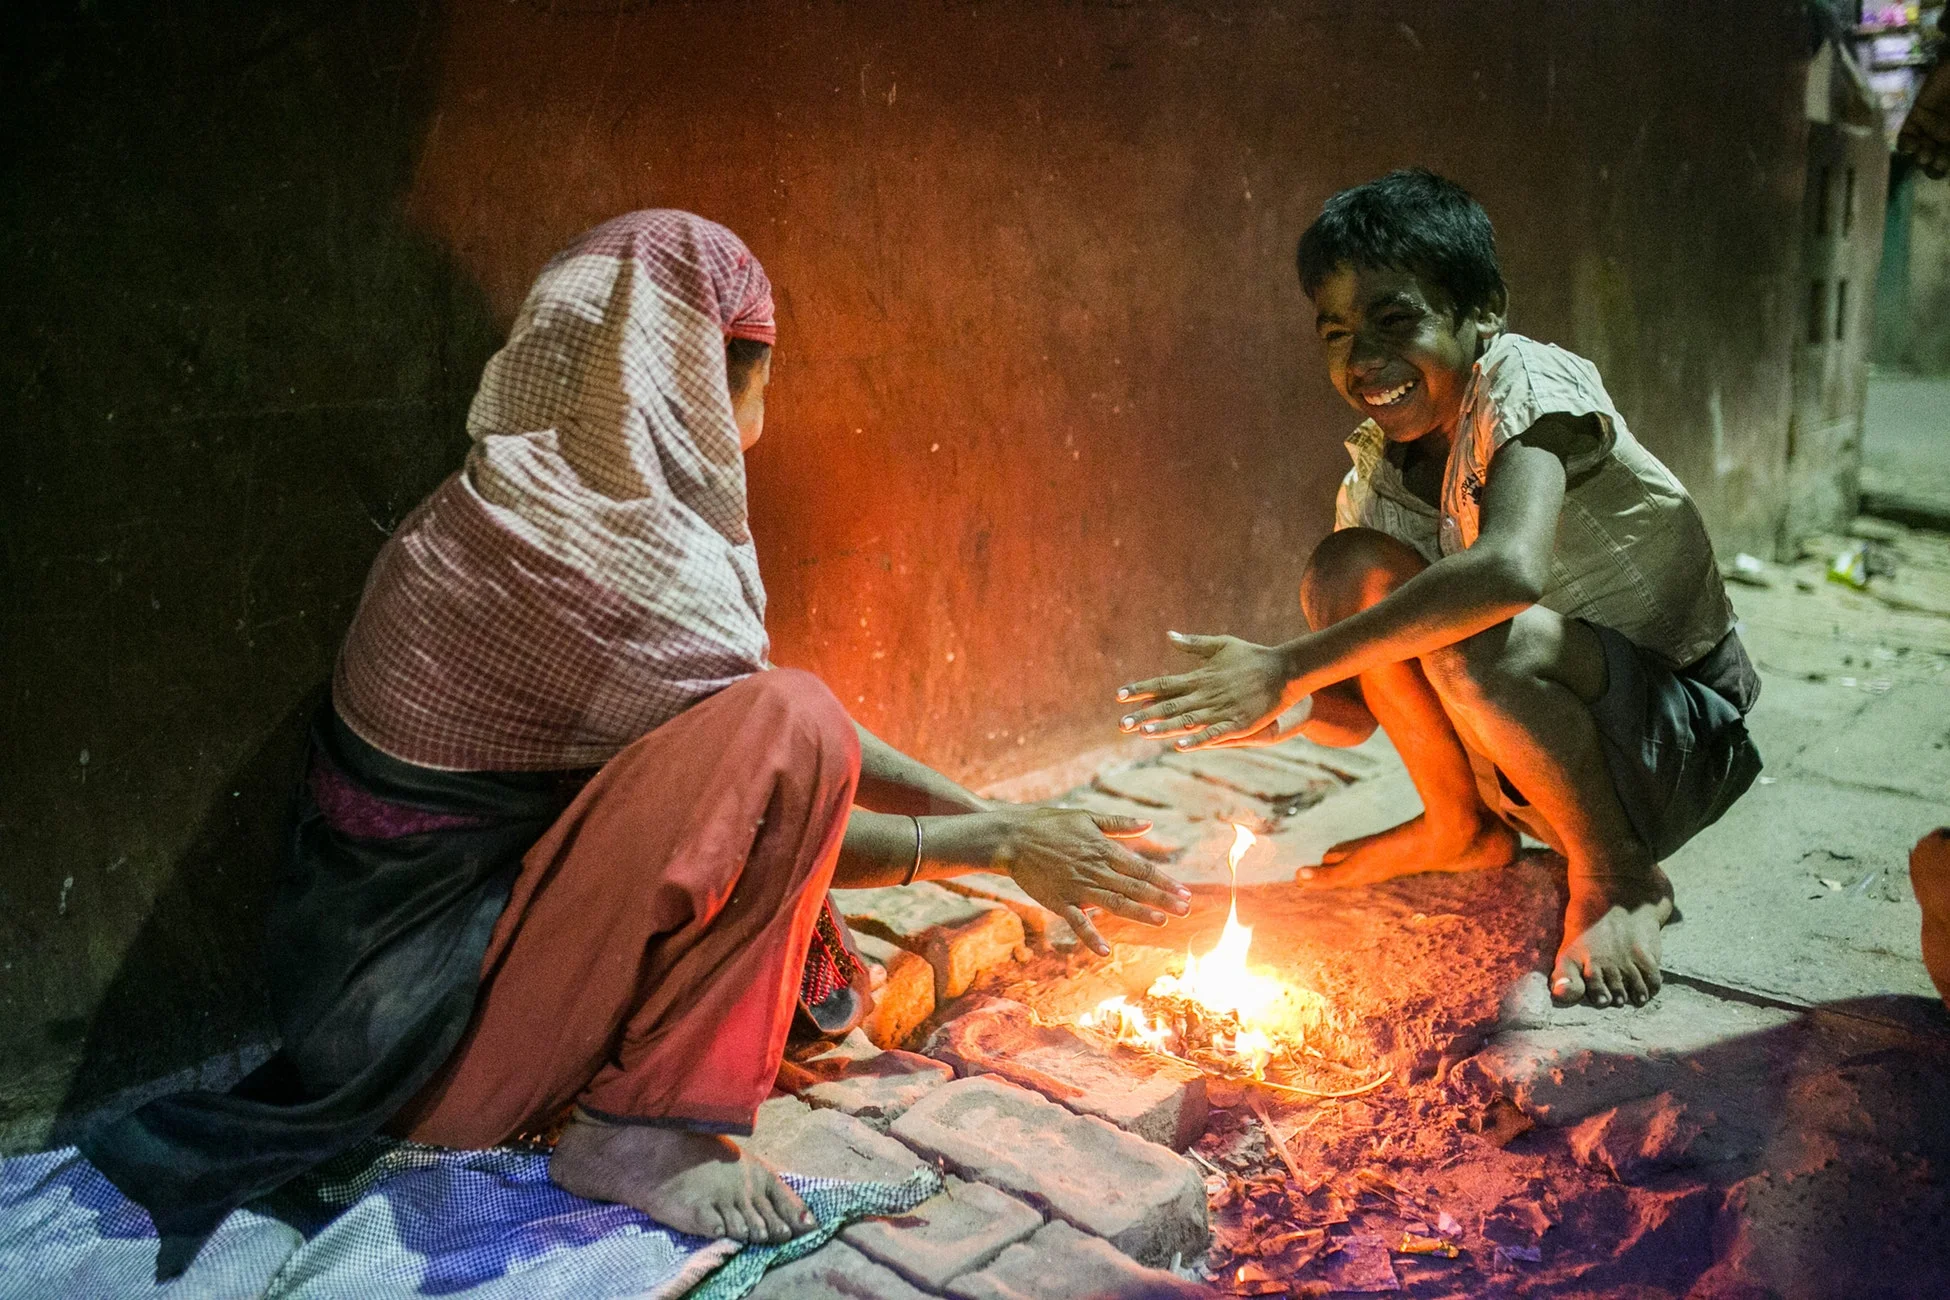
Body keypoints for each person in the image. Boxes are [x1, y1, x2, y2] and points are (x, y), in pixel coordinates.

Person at [85, 210, 1191, 1275]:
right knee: (793, 724)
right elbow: (775, 775)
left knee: (786, 724)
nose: (763, 416)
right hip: (424, 1061)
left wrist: (1003, 821)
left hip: (372, 1017)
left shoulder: (516, 512)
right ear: (701, 380)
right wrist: (999, 841)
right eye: (762, 377)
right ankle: (638, 1131)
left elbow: (736, 725)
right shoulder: (599, 570)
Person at [1113, 170, 1761, 1012]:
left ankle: (1619, 876)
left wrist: (1286, 664)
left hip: (1676, 745)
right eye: (1337, 334)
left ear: (1483, 310)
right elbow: (1355, 712)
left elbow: (1509, 571)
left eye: (1396, 322)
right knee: (1347, 567)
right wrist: (1279, 709)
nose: (1363, 361)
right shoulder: (1377, 479)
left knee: (1473, 630)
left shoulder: (1526, 383)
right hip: (1525, 773)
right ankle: (1461, 827)